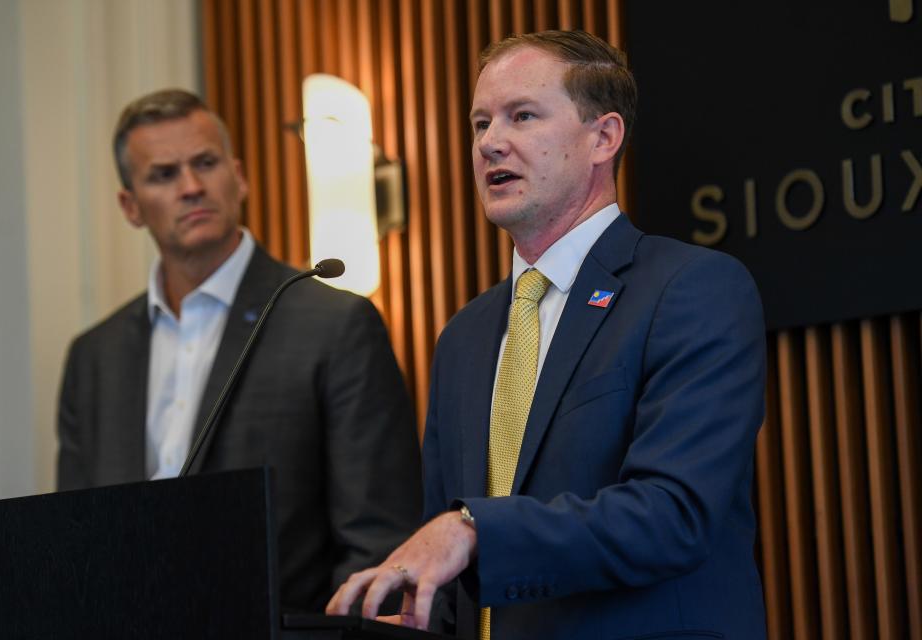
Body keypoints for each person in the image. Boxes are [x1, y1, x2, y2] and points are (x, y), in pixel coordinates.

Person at [327, 30, 767, 639]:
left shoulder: (691, 290)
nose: (489, 143)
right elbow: (444, 549)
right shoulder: (463, 337)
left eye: (522, 116)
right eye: (480, 123)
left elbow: (673, 515)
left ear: (603, 138)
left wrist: (474, 529)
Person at [56, 89, 422, 613]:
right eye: (164, 174)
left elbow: (377, 542)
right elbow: (74, 544)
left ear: (240, 176)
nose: (191, 187)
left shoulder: (334, 326)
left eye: (205, 163)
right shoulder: (94, 358)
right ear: (130, 207)